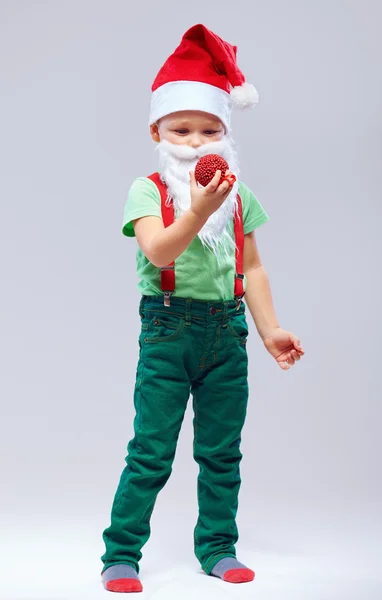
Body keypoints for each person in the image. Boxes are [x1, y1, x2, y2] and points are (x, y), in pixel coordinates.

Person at [101, 23, 305, 593]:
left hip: (227, 332)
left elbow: (253, 267)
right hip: (168, 331)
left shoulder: (236, 195)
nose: (195, 141)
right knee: (151, 451)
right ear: (157, 130)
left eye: (208, 128)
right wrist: (195, 210)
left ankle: (217, 546)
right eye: (181, 129)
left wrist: (269, 331)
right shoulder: (149, 191)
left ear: (225, 130)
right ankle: (121, 553)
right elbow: (158, 247)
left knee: (221, 452)